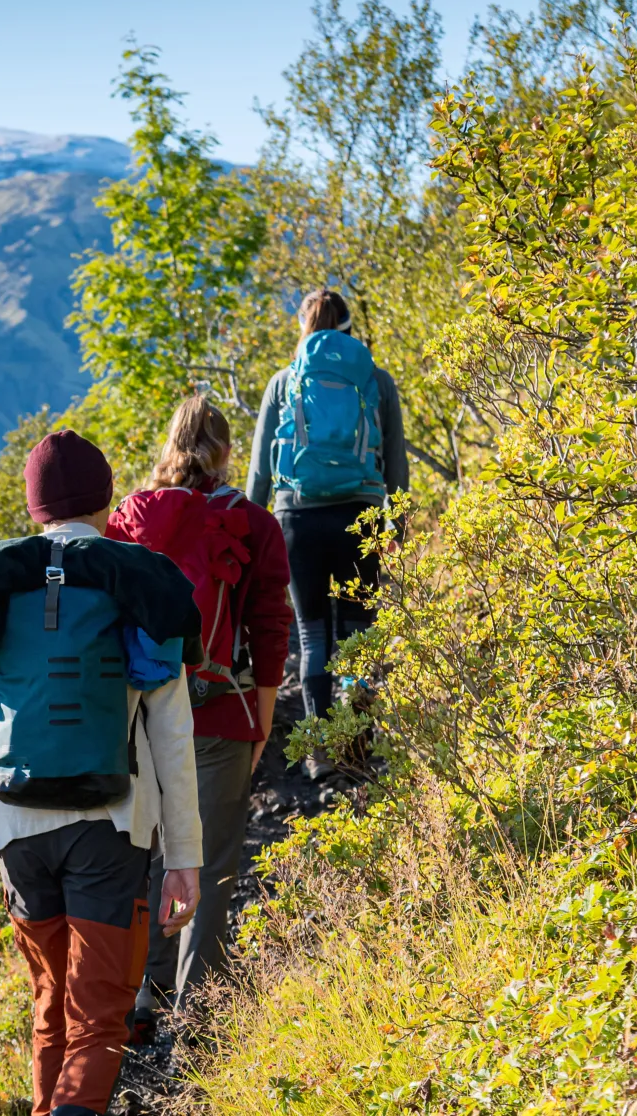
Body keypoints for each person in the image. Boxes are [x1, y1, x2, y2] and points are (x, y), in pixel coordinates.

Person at [0, 430, 204, 1116]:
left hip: (15, 828)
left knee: (52, 1009)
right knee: (100, 1017)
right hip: (111, 824)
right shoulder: (134, 581)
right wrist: (184, 858)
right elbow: (172, 733)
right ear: (107, 498)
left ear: (34, 507)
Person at [109, 394, 292, 1034]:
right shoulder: (255, 524)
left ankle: (140, 996)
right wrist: (261, 717)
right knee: (210, 862)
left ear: (169, 447)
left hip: (141, 715)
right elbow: (272, 628)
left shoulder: (131, 515)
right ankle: (199, 1009)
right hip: (221, 709)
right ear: (224, 451)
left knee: (150, 851)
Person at [245, 290, 407, 772]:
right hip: (360, 516)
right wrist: (396, 523)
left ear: (303, 328)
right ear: (348, 329)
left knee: (313, 639)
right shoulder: (377, 381)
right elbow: (395, 460)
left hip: (297, 519)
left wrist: (250, 533)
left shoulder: (283, 382)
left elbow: (258, 471)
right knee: (359, 637)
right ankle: (358, 748)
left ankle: (322, 752)